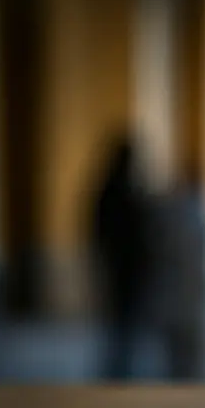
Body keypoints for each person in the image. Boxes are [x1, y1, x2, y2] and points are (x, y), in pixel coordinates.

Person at [89, 132, 152, 381]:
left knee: (122, 326)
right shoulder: (122, 191)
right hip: (123, 267)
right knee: (121, 325)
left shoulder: (114, 189)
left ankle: (120, 368)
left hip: (122, 267)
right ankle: (118, 371)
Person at [155, 159, 205, 381]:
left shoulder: (185, 210)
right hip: (182, 290)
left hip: (183, 291)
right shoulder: (189, 212)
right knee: (183, 348)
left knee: (184, 350)